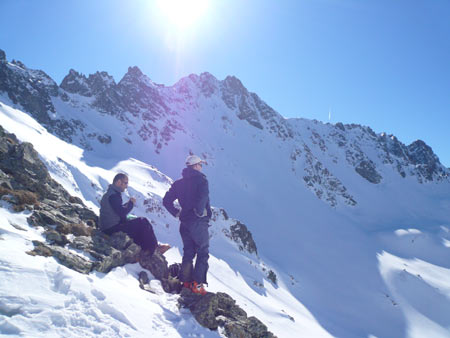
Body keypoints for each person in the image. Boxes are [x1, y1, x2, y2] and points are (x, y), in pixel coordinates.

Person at [163, 155, 212, 295]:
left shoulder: (178, 183)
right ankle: (197, 285)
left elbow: (166, 201)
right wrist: (198, 212)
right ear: (195, 166)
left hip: (184, 222)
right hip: (198, 222)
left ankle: (185, 282)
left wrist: (176, 212)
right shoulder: (202, 180)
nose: (201, 167)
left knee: (188, 252)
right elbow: (203, 197)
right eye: (200, 165)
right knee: (203, 252)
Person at [99, 173, 170, 255]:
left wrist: (128, 204)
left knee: (135, 223)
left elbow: (116, 209)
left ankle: (144, 249)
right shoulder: (114, 195)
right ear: (118, 182)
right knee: (143, 221)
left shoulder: (111, 193)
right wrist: (131, 204)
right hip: (111, 228)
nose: (126, 186)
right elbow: (122, 212)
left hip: (107, 227)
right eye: (125, 183)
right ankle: (154, 248)